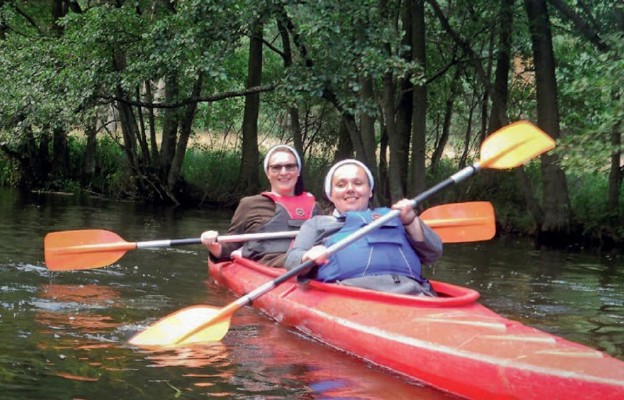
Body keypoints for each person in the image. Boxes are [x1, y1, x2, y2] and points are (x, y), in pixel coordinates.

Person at [284, 159, 442, 296]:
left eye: (358, 183)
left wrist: (411, 221)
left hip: (413, 292)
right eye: (341, 185)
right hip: (351, 294)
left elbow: (433, 254)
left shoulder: (395, 218)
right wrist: (308, 257)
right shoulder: (317, 224)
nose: (350, 189)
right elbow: (292, 260)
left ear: (370, 191)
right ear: (330, 194)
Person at [201, 144, 320, 267]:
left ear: (298, 171)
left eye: (290, 167)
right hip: (270, 265)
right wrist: (212, 244)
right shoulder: (250, 204)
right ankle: (302, 260)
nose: (284, 172)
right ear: (268, 173)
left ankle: (305, 261)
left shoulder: (314, 207)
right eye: (276, 167)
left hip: (313, 264)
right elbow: (230, 246)